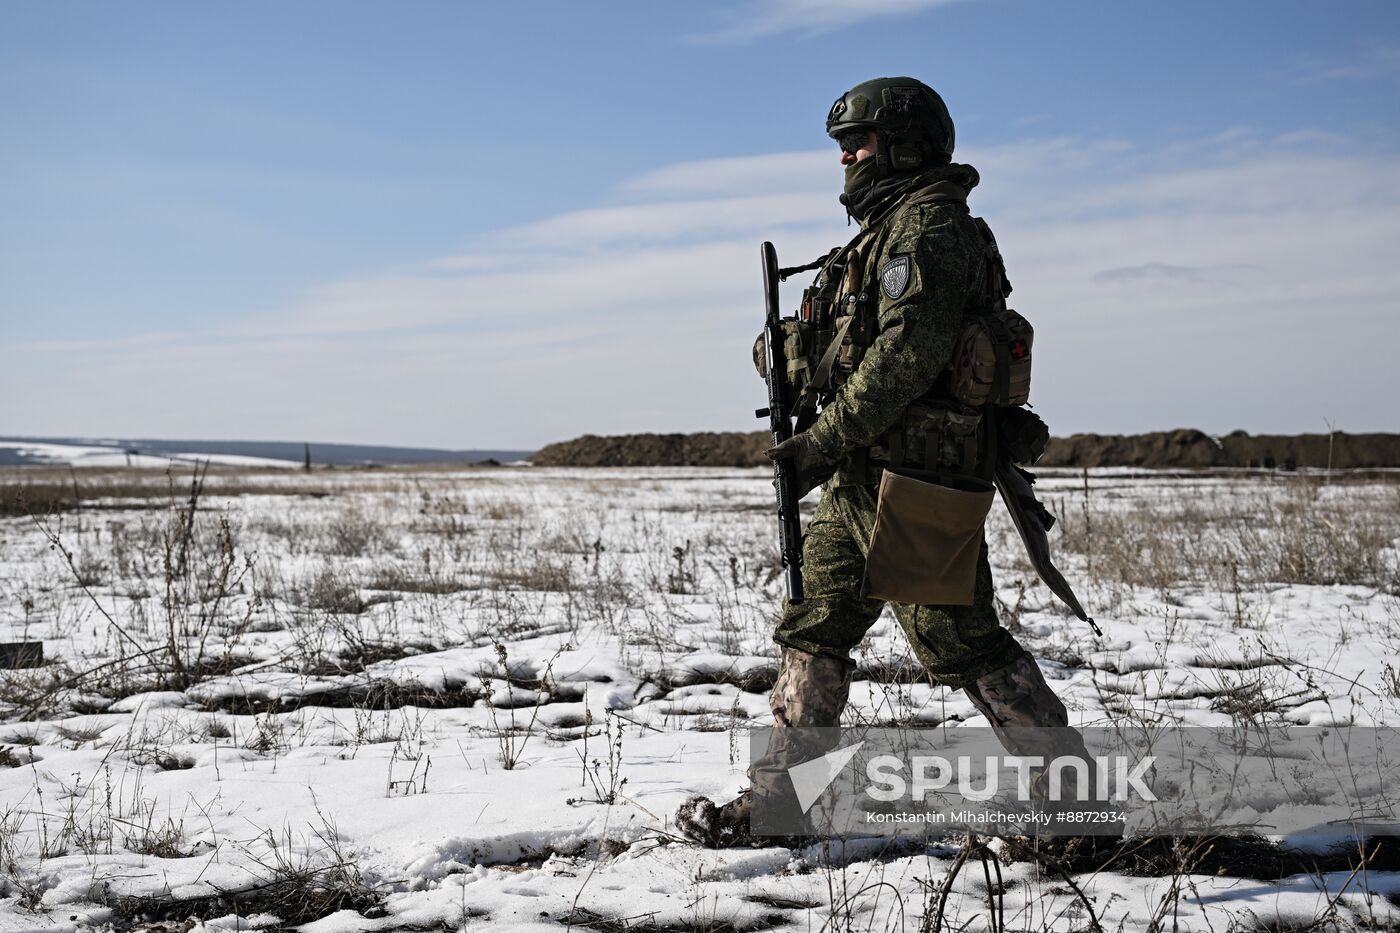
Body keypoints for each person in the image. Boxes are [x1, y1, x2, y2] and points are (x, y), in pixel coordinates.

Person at [676, 77, 1084, 848]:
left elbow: (905, 357)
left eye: (857, 143)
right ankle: (780, 805)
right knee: (814, 627)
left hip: (921, 481)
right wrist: (790, 354)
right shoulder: (881, 235)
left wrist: (817, 445)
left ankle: (1073, 810)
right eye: (841, 147)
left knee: (964, 643)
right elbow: (853, 345)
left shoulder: (930, 231)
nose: (845, 158)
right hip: (863, 479)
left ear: (906, 145)